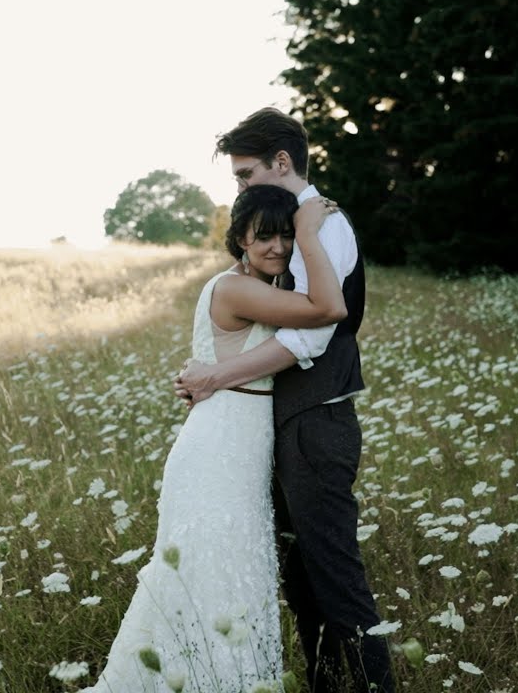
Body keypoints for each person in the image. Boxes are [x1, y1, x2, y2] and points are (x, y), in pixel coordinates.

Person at [81, 184, 346, 693]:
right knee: (210, 577)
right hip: (218, 453)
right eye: (264, 237)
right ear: (240, 239)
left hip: (234, 448)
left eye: (287, 236)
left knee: (228, 577)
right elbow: (329, 307)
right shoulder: (235, 289)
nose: (278, 247)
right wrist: (311, 232)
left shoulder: (253, 286)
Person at [175, 108, 395, 693]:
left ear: (281, 161)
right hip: (279, 424)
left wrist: (217, 377)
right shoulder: (285, 229)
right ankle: (325, 683)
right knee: (302, 581)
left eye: (245, 175)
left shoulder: (321, 226)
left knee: (335, 575)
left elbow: (313, 334)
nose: (241, 188)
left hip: (316, 421)